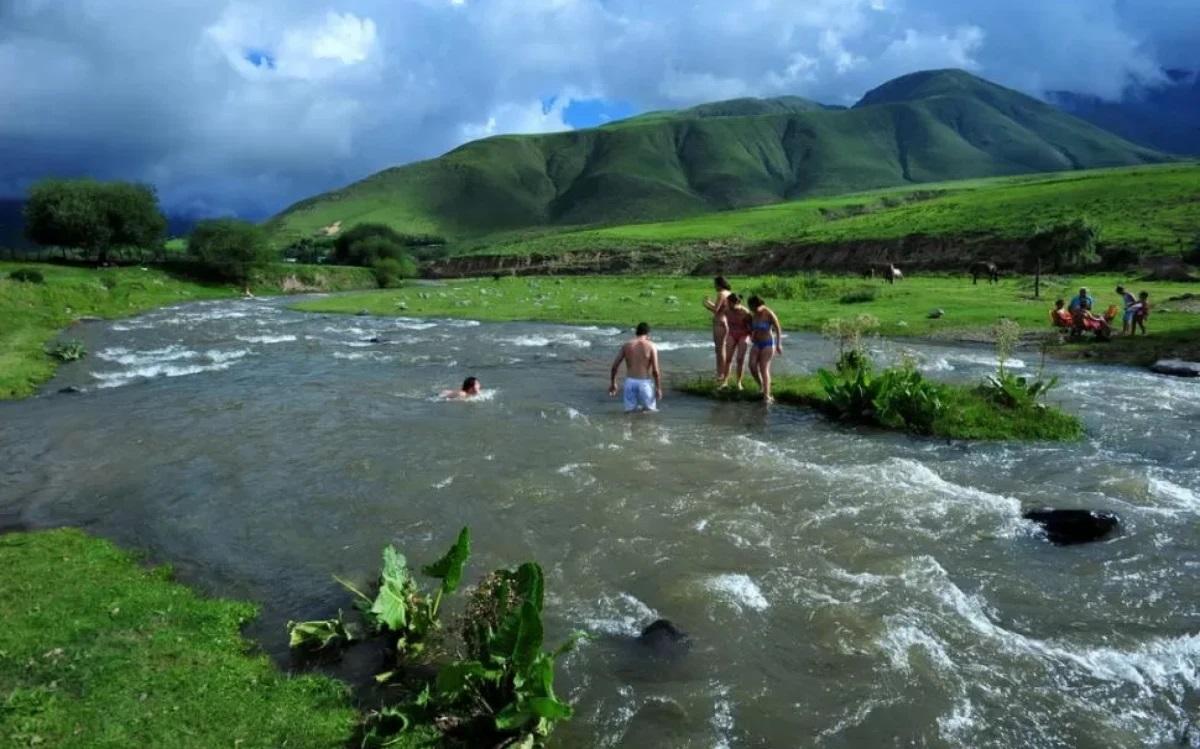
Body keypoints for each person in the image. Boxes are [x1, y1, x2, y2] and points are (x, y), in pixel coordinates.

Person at [609, 322, 662, 413]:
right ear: (648, 333)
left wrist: (613, 383)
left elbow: (614, 367)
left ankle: (630, 427)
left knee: (629, 412)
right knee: (650, 413)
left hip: (630, 382)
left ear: (636, 332)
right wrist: (658, 388)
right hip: (645, 383)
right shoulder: (651, 346)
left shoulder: (627, 345)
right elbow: (655, 371)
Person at [747, 296, 783, 404]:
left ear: (756, 305)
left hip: (768, 343)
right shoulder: (753, 314)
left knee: (764, 368)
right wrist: (752, 334)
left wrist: (778, 344)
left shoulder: (768, 313)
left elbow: (778, 328)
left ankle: (767, 396)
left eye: (751, 307)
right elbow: (753, 328)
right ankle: (761, 386)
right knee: (752, 365)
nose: (750, 309)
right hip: (757, 343)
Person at [702, 276, 733, 382]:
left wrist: (706, 306)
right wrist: (710, 302)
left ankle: (721, 374)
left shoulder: (721, 294)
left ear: (719, 284)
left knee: (719, 349)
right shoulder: (728, 293)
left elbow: (716, 310)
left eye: (715, 284)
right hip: (726, 321)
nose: (714, 286)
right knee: (722, 348)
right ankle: (723, 373)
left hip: (719, 323)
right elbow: (721, 307)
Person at [722, 293, 753, 389]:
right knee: (728, 359)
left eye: (730, 303)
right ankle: (725, 381)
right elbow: (717, 312)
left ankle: (739, 383)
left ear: (737, 302)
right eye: (728, 302)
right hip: (731, 334)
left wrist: (752, 337)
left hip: (744, 335)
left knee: (740, 359)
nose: (728, 304)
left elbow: (751, 327)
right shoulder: (726, 310)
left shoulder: (745, 313)